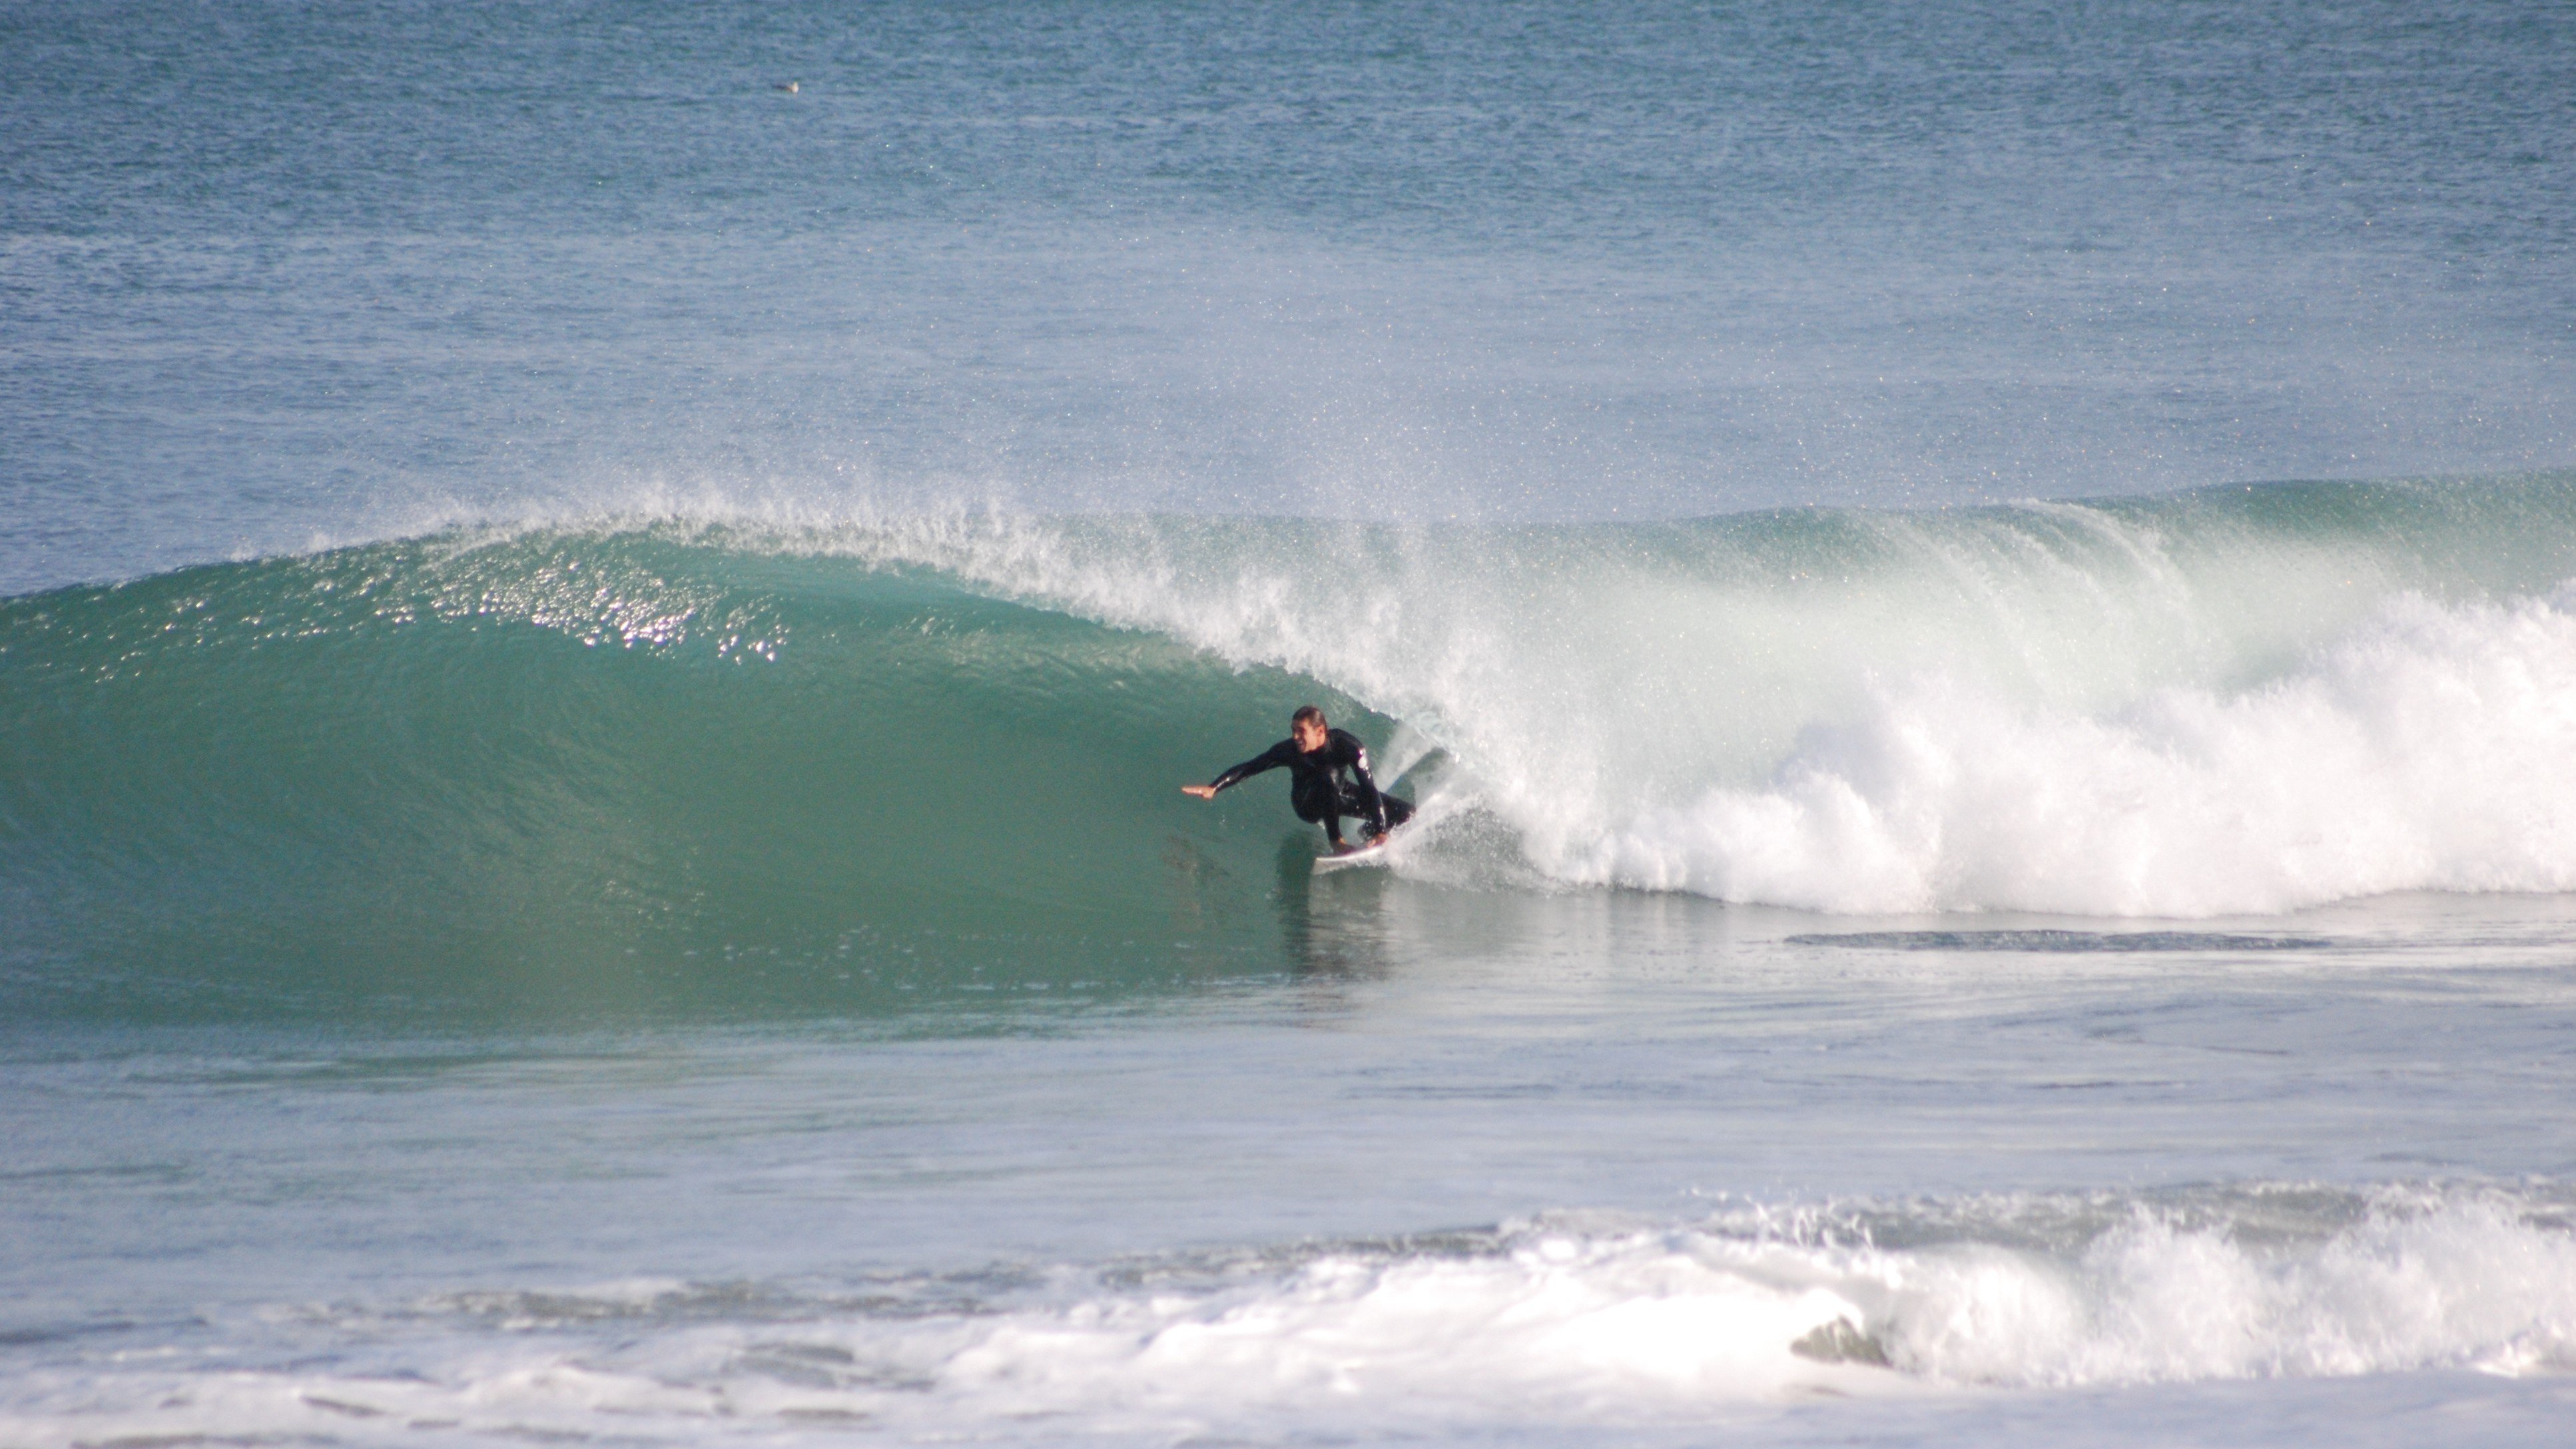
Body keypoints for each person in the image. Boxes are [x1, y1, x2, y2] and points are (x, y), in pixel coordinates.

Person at [1183, 705, 1415, 852]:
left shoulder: (1349, 747)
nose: (1295, 737)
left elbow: (1368, 788)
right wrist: (1214, 787)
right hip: (1307, 803)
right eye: (1293, 730)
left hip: (1338, 793)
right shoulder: (1289, 751)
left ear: (1320, 732)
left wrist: (1381, 829)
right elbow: (1250, 767)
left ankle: (1371, 835)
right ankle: (1337, 842)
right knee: (1327, 777)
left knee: (1407, 813)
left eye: (1301, 731)